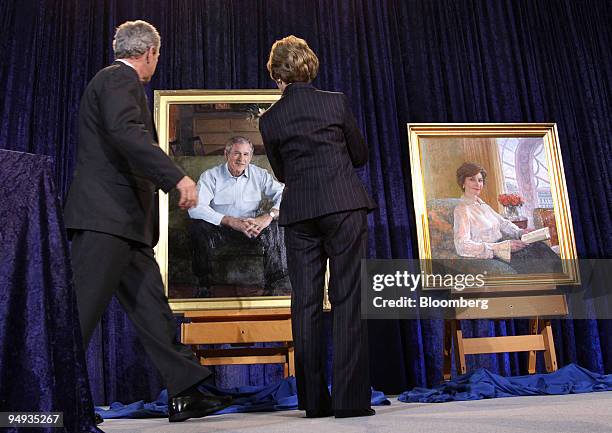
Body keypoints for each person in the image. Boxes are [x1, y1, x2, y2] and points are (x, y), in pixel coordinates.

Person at [63, 20, 232, 423]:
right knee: (79, 313)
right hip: (106, 220)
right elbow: (126, 133)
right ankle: (48, 400)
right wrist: (176, 176)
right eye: (158, 54)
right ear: (150, 53)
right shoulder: (118, 80)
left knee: (152, 309)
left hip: (126, 225)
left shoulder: (115, 83)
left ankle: (186, 390)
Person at [259, 35, 377, 418]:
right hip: (343, 207)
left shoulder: (271, 119)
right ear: (310, 65)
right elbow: (359, 155)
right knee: (348, 299)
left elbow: (281, 172)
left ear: (277, 74)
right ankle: (350, 402)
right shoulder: (335, 102)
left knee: (306, 303)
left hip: (300, 214)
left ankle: (313, 403)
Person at [188, 136, 288, 296]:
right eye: (236, 153)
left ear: (251, 157)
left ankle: (273, 286)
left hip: (251, 227)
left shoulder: (260, 174)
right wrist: (229, 220)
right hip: (221, 228)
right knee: (197, 227)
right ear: (226, 154)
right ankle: (204, 285)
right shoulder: (210, 176)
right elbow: (195, 208)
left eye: (246, 154)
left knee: (277, 225)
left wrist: (268, 216)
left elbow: (284, 193)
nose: (241, 159)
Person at [453, 162, 561, 273]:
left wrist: (520, 232)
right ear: (463, 182)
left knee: (539, 246)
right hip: (494, 254)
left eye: (480, 180)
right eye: (472, 179)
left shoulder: (482, 204)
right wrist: (501, 247)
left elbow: (503, 223)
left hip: (505, 246)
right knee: (535, 258)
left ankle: (566, 283)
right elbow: (462, 246)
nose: (477, 184)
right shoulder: (462, 209)